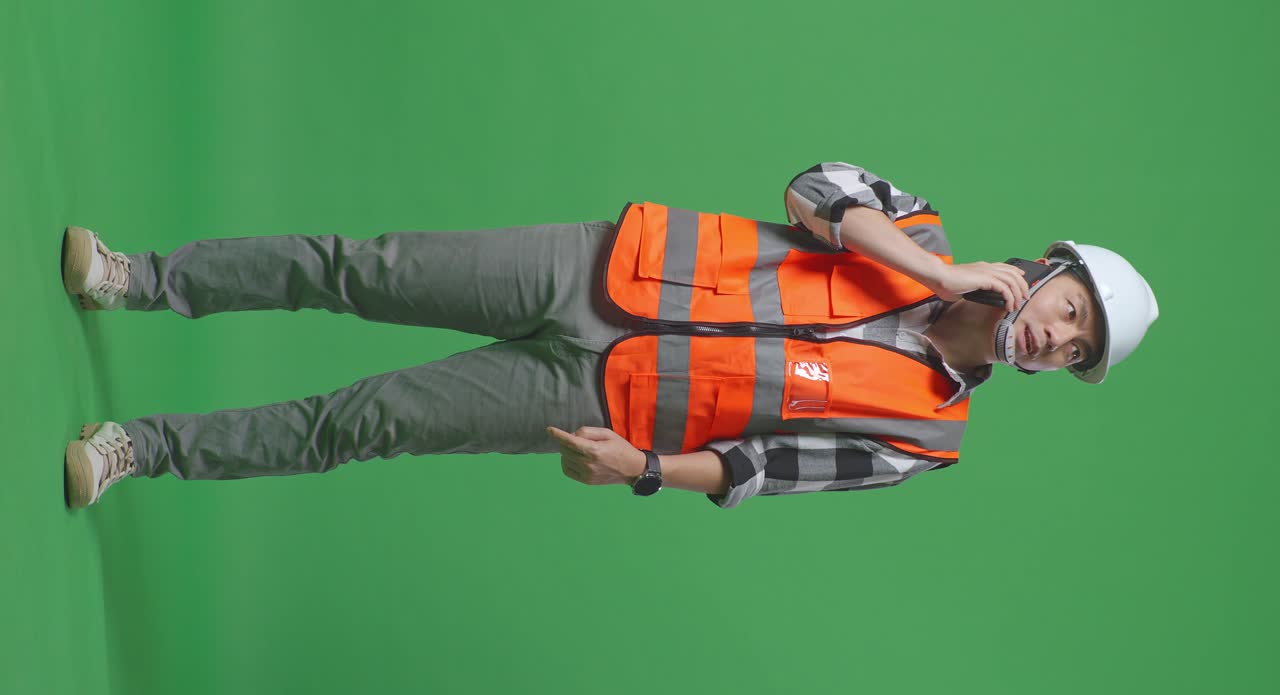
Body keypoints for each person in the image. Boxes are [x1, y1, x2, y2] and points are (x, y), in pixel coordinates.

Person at [61, 162, 1159, 510]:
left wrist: (644, 469)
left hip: (608, 398)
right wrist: (931, 269)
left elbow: (766, 470)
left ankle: (138, 450)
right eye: (1068, 311)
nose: (1054, 338)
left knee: (368, 422)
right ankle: (139, 280)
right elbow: (819, 186)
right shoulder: (915, 229)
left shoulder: (924, 437)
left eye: (1075, 351)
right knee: (362, 268)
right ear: (1045, 273)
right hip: (597, 264)